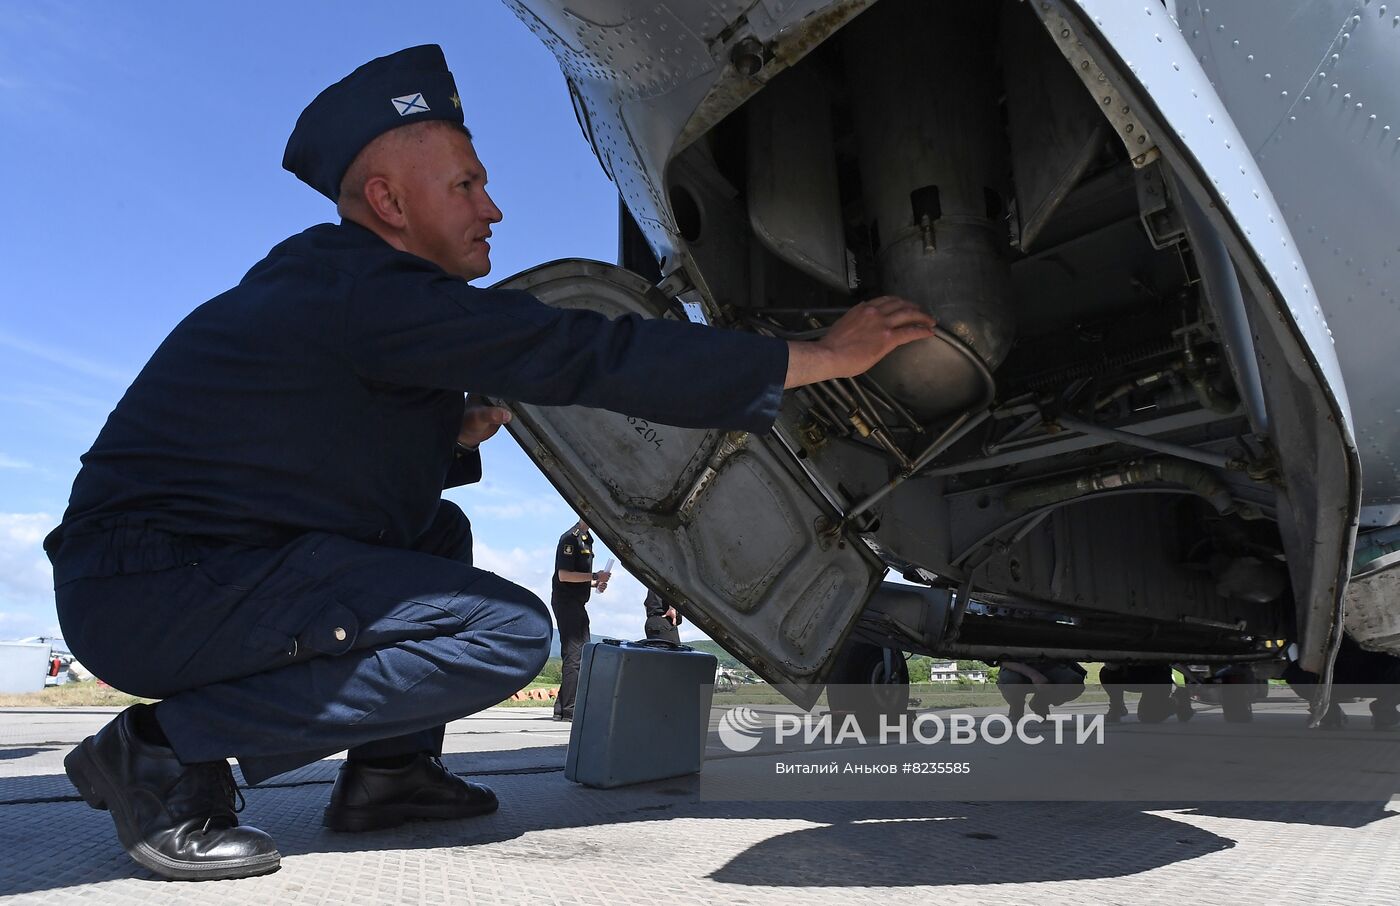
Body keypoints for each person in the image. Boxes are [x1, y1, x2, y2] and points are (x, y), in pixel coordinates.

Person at [43, 45, 936, 881]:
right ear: (391, 204)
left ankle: (390, 775)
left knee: (437, 529)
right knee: (502, 633)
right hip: (150, 589)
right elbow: (586, 353)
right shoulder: (367, 291)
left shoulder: (339, 287)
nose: (492, 207)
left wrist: (447, 439)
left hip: (174, 571)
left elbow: (289, 463)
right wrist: (815, 357)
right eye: (468, 185)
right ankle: (164, 751)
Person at [550, 520, 608, 721]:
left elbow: (576, 576)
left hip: (577, 603)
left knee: (581, 653)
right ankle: (570, 710)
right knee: (575, 655)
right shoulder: (569, 538)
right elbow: (564, 575)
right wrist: (594, 575)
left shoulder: (586, 539)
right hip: (566, 602)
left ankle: (561, 707)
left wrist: (595, 583)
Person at [996, 659, 1087, 722]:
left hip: (1050, 664)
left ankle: (1040, 703)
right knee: (1010, 681)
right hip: (1016, 666)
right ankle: (1016, 709)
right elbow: (1001, 658)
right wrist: (1033, 674)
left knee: (1074, 683)